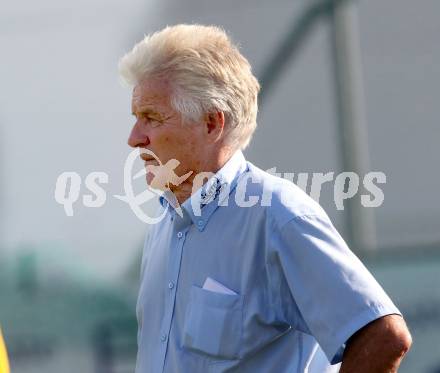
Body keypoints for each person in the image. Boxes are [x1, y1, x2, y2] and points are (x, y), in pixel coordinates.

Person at [118, 24, 412, 373]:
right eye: (137, 118)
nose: (134, 138)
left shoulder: (278, 216)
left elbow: (384, 336)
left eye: (151, 118)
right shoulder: (165, 222)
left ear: (212, 124)